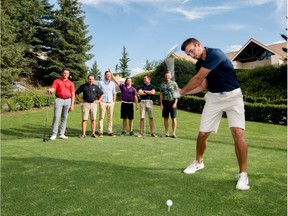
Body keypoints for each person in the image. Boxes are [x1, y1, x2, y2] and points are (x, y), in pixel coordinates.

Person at [177, 38, 250, 190]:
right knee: (203, 133)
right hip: (213, 98)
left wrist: (181, 91)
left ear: (198, 45)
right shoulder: (199, 64)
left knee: (238, 133)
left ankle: (243, 174)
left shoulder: (215, 53)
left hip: (233, 96)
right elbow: (203, 85)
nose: (190, 55)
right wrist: (182, 94)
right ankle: (199, 162)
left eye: (191, 50)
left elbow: (198, 78)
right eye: (187, 53)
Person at [47, 68, 75, 140]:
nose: (66, 74)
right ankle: (54, 133)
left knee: (64, 117)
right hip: (59, 100)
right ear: (62, 73)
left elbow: (73, 94)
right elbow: (53, 89)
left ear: (69, 75)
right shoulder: (57, 81)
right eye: (65, 73)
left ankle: (62, 134)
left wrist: (72, 105)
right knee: (56, 116)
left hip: (68, 100)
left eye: (67, 73)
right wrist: (50, 90)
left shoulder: (70, 83)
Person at [159, 71, 178, 138]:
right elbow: (161, 94)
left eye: (168, 75)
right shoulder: (162, 85)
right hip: (165, 102)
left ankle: (173, 133)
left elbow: (176, 94)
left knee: (173, 118)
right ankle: (167, 133)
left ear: (170, 76)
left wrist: (175, 103)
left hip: (172, 102)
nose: (167, 77)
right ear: (165, 76)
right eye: (166, 75)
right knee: (165, 118)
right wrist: (161, 103)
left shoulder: (174, 84)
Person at [98, 70, 117, 137]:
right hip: (103, 102)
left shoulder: (112, 83)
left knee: (110, 118)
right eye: (107, 74)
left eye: (110, 75)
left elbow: (114, 93)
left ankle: (110, 131)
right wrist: (99, 101)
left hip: (110, 103)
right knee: (101, 118)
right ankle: (100, 132)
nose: (109, 76)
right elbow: (98, 93)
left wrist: (114, 102)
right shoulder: (100, 83)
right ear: (105, 75)